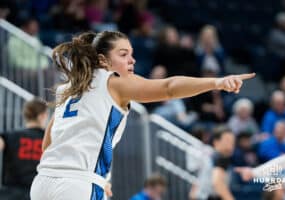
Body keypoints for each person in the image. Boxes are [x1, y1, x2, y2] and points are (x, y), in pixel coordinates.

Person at [30, 30, 255, 200]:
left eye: (132, 54)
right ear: (103, 61)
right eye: (123, 54)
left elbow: (48, 144)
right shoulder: (114, 83)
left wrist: (96, 179)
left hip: (42, 183)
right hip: (76, 185)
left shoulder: (68, 88)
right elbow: (168, 87)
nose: (132, 60)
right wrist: (216, 82)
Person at [0, 98, 48, 200]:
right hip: (37, 193)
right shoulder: (49, 138)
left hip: (10, 194)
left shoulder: (11, 135)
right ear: (42, 116)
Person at [190, 126, 236, 200]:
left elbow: (198, 181)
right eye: (227, 140)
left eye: (233, 141)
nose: (231, 145)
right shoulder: (221, 158)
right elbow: (217, 182)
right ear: (216, 142)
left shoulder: (211, 156)